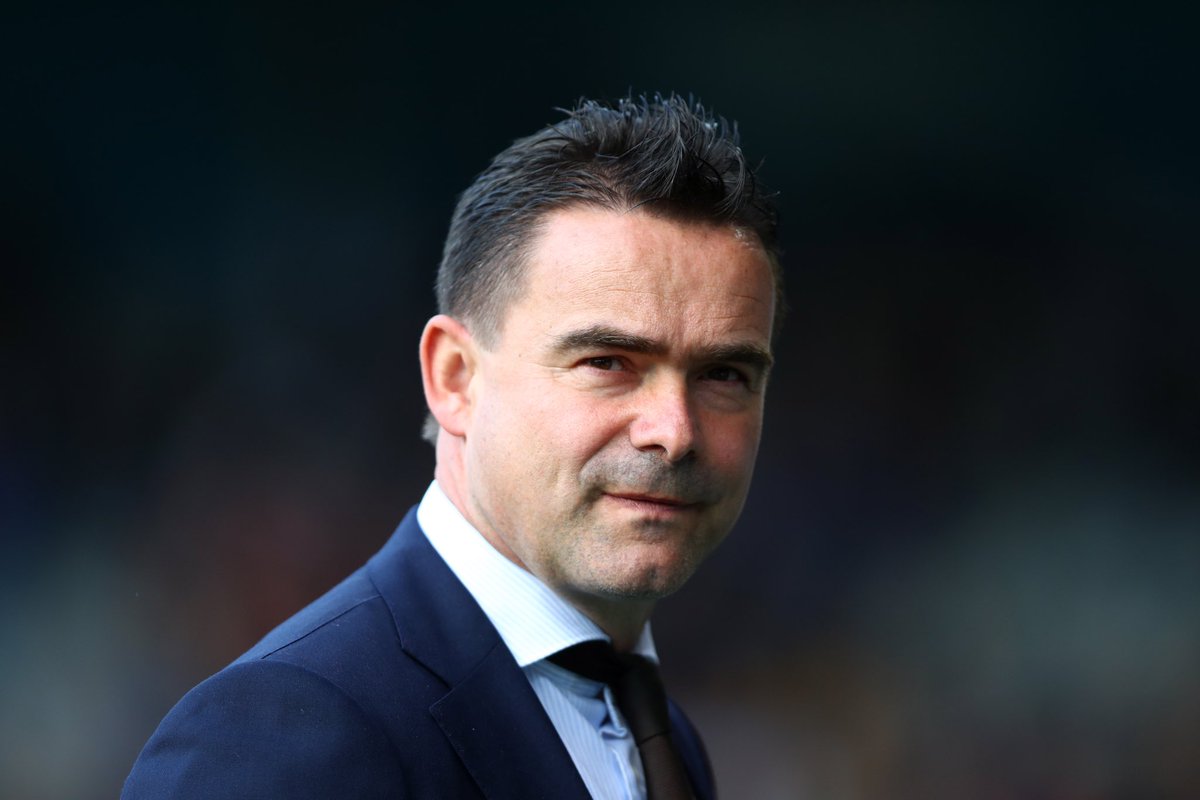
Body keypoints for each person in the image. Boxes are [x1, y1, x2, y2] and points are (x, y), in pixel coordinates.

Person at [123, 93, 783, 800]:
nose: (674, 431)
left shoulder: (665, 740)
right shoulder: (278, 734)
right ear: (454, 378)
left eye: (723, 374)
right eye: (608, 362)